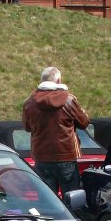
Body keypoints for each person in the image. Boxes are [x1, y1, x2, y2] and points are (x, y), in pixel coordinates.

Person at [22, 66, 91, 195]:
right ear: (58, 80)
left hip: (41, 156)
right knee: (72, 198)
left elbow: (27, 127)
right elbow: (85, 122)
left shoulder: (29, 102)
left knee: (49, 198)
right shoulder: (69, 100)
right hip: (66, 155)